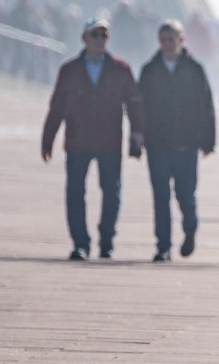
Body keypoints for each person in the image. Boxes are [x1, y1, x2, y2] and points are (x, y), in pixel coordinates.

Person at [41, 18, 144, 260]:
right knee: (75, 193)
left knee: (111, 192)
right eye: (94, 35)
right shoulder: (70, 70)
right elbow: (57, 107)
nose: (99, 40)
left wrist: (138, 133)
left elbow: (134, 103)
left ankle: (106, 241)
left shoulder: (121, 69)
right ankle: (80, 243)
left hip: (110, 141)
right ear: (84, 39)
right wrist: (48, 138)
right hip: (78, 140)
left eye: (103, 36)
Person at [139, 20, 216, 262]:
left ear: (181, 40)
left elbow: (206, 106)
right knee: (160, 197)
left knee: (186, 195)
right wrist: (138, 135)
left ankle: (190, 230)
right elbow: (139, 107)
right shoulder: (150, 70)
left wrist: (208, 140)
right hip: (157, 144)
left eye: (172, 39)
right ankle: (163, 246)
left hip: (186, 144)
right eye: (163, 39)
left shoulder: (194, 69)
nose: (167, 44)